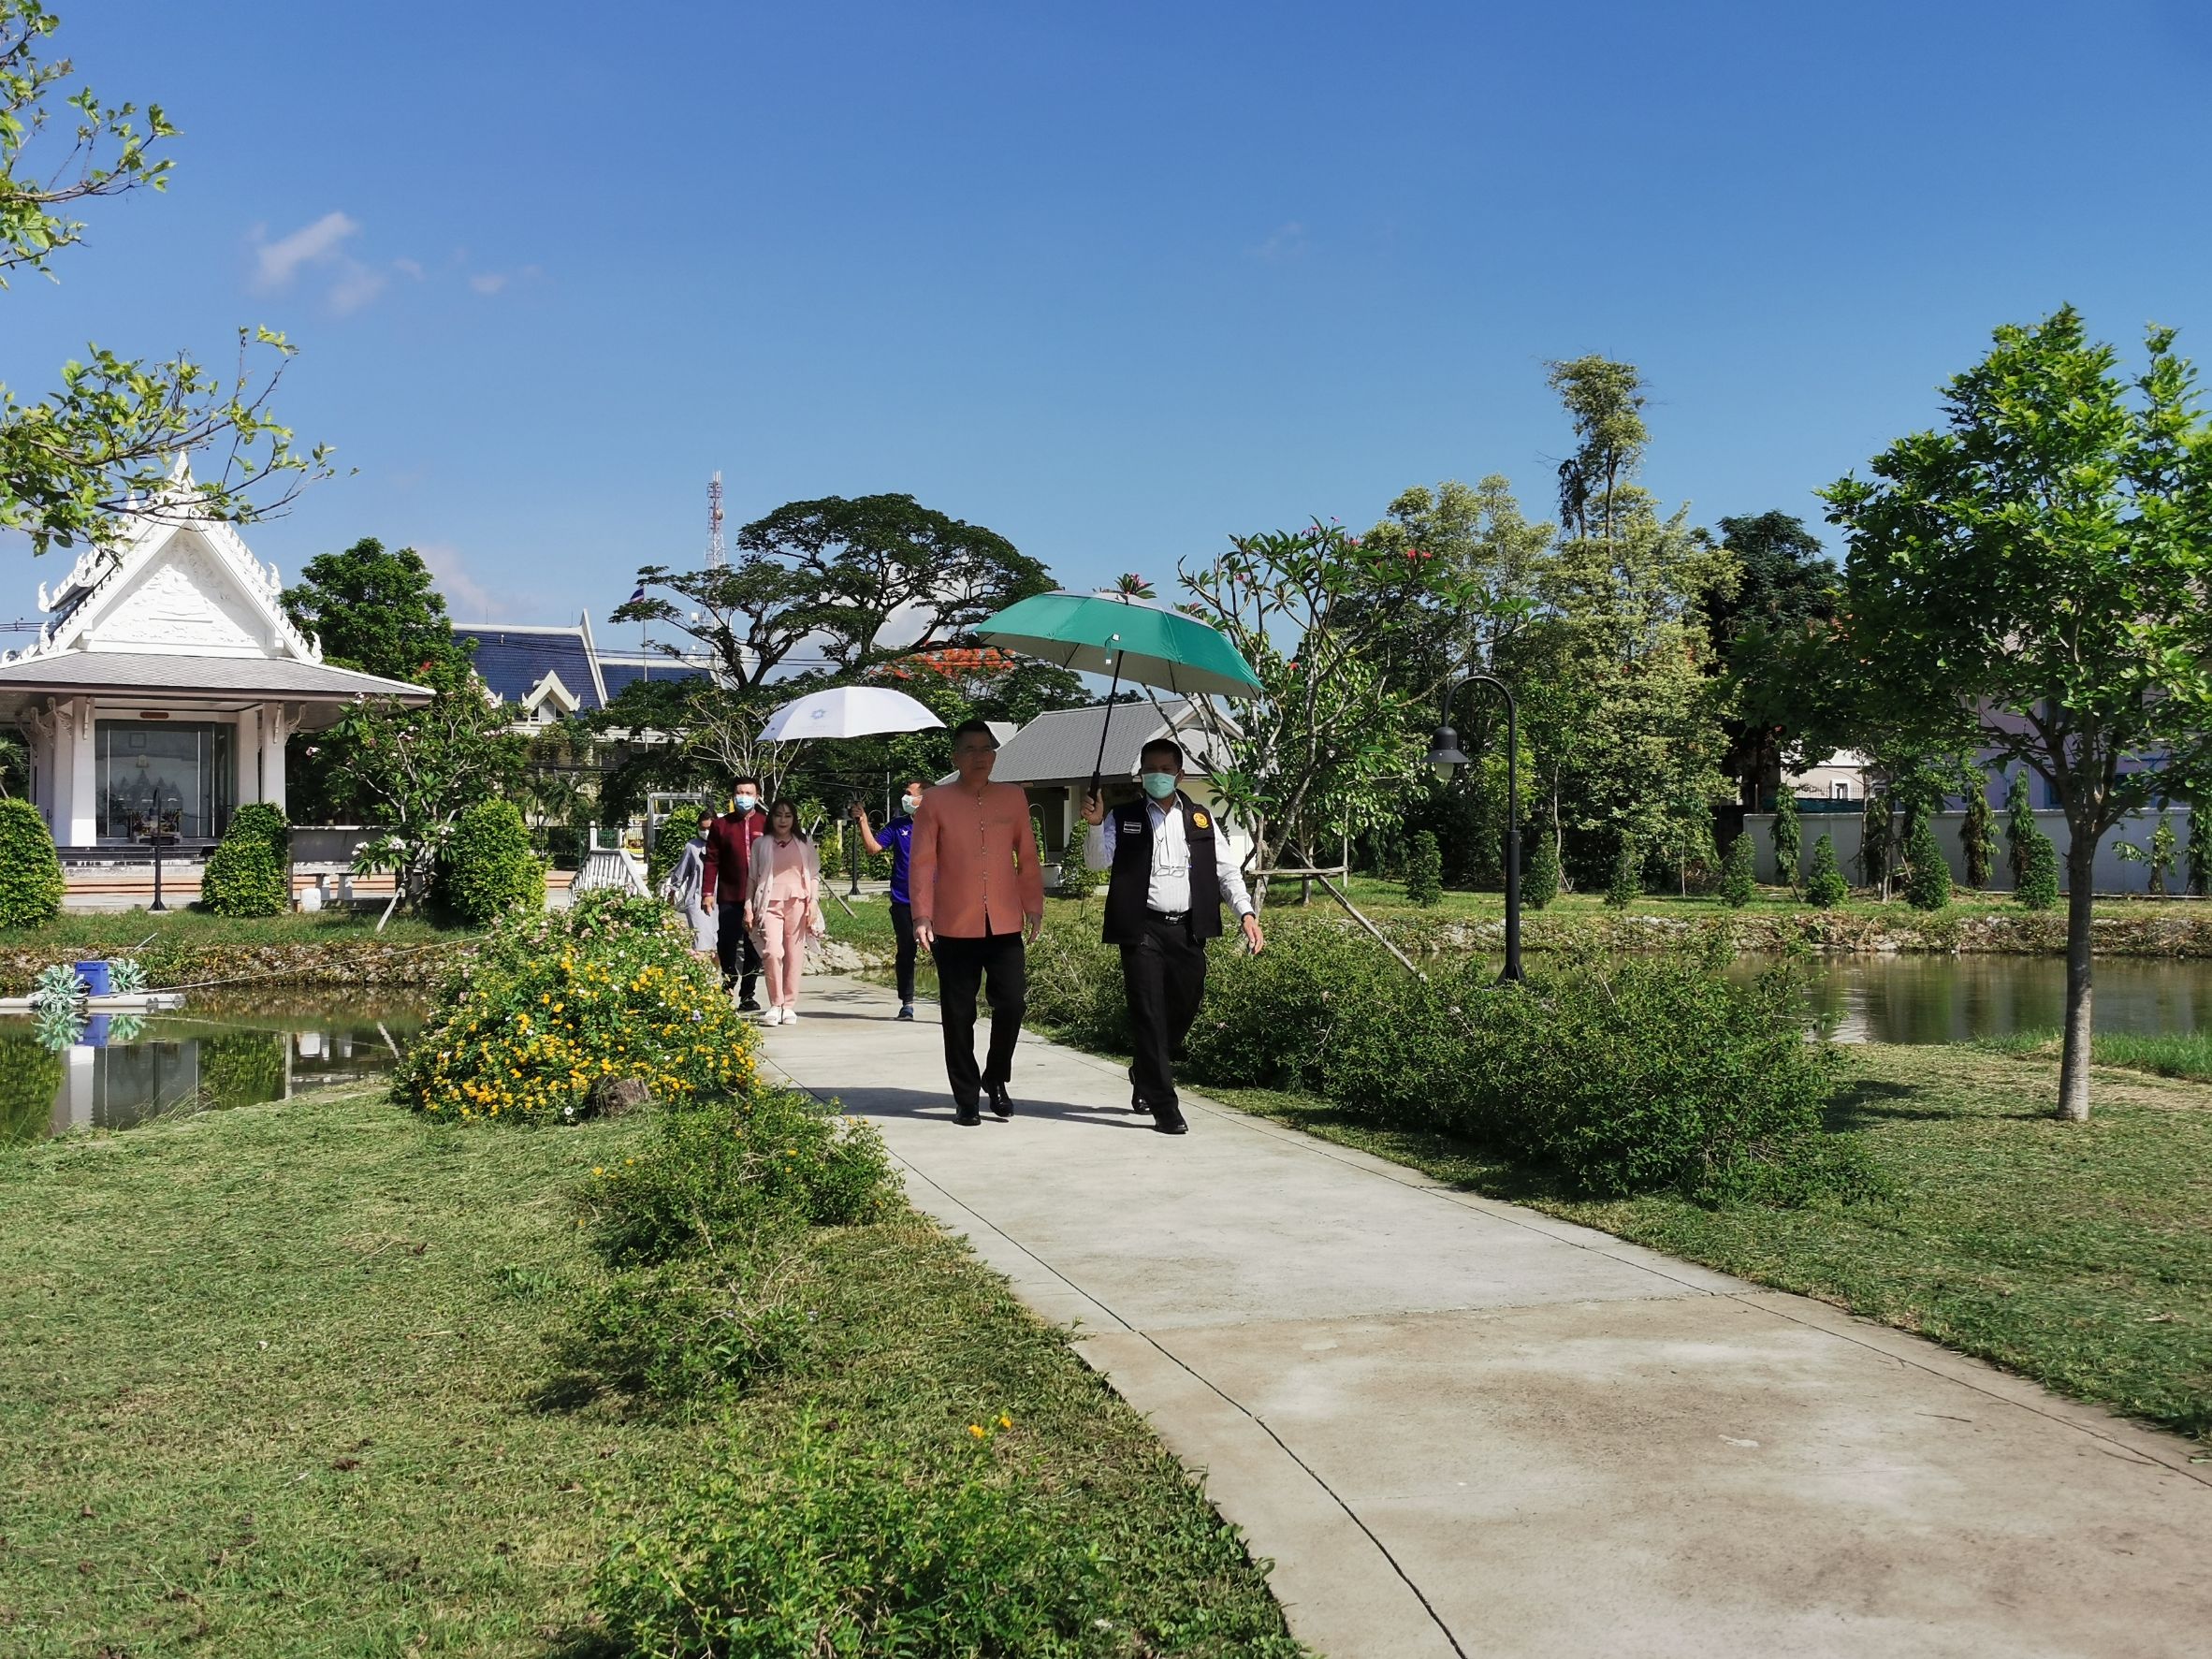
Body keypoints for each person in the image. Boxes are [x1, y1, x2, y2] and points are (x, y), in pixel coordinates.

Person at [1083, 737, 1265, 1135]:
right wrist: (1095, 827)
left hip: (1187, 929)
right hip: (1141, 929)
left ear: (1179, 774)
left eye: (1166, 770)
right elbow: (1097, 862)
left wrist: (1246, 913)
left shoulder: (1199, 818)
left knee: (1185, 1005)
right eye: (1151, 769)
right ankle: (1165, 1105)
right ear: (1141, 774)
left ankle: (1143, 1069)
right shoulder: (1124, 816)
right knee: (1148, 1014)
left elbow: (1226, 871)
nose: (1158, 776)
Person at [910, 720, 1044, 1126]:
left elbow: (1028, 853)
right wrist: (921, 915)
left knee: (1012, 1003)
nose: (979, 756)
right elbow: (922, 862)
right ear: (955, 757)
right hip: (954, 925)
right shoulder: (935, 801)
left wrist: (1033, 904)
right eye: (969, 749)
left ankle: (996, 1077)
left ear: (995, 755)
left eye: (986, 749)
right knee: (957, 1013)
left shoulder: (1013, 797)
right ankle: (966, 1097)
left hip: (1004, 923)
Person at [852, 779, 926, 1019]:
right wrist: (863, 820)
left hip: (934, 903)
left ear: (924, 798)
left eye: (909, 793)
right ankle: (907, 1003)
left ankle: (952, 1002)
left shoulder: (941, 824)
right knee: (906, 951)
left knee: (943, 953)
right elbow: (873, 848)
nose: (904, 798)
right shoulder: (898, 826)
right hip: (903, 901)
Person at [747, 798, 825, 1026]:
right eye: (778, 815)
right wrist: (747, 906)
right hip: (768, 903)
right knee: (772, 951)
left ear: (794, 819)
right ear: (771, 817)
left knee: (794, 954)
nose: (783, 820)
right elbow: (752, 877)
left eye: (788, 815)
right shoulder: (761, 843)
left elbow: (812, 875)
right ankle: (775, 1003)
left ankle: (788, 1005)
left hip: (798, 903)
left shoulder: (804, 842)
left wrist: (813, 903)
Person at [702, 778, 767, 1010]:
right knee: (727, 943)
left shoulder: (766, 823)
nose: (744, 797)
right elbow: (711, 860)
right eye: (740, 792)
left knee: (753, 946)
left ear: (757, 796)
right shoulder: (721, 825)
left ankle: (748, 995)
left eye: (749, 793)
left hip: (760, 898)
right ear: (733, 796)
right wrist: (707, 892)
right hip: (730, 895)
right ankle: (728, 985)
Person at [660, 819, 718, 958]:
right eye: (702, 828)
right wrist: (672, 891)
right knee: (701, 944)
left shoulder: (725, 845)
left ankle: (719, 977)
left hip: (721, 899)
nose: (705, 832)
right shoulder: (692, 847)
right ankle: (702, 977)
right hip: (697, 899)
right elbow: (682, 871)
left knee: (718, 947)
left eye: (709, 828)